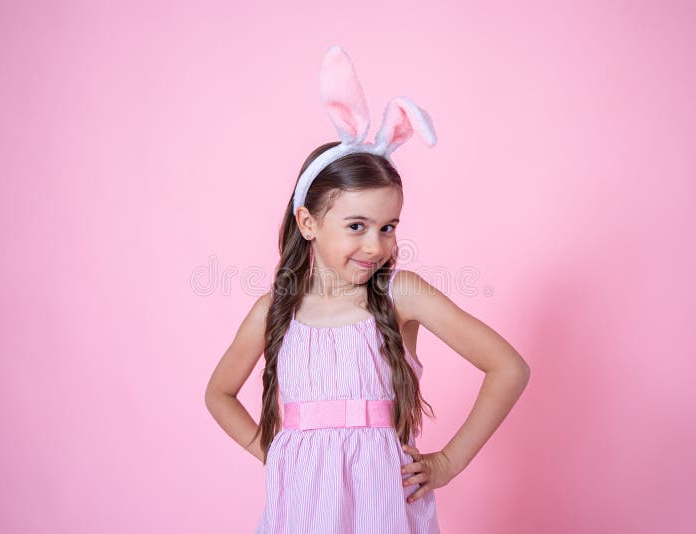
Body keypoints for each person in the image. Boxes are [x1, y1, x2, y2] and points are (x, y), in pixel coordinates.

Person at [205, 45, 531, 533]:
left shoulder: (404, 295)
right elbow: (219, 394)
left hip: (385, 509)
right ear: (308, 222)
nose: (376, 245)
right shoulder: (274, 310)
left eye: (388, 226)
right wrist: (273, 452)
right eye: (357, 226)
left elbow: (509, 367)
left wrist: (448, 462)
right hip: (302, 510)